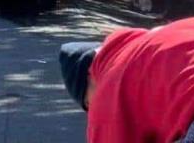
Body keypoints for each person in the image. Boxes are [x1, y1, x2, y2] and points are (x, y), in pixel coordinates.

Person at [59, 17, 194, 142]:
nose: (91, 110)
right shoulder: (150, 41)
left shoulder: (108, 88)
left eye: (88, 103)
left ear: (89, 77)